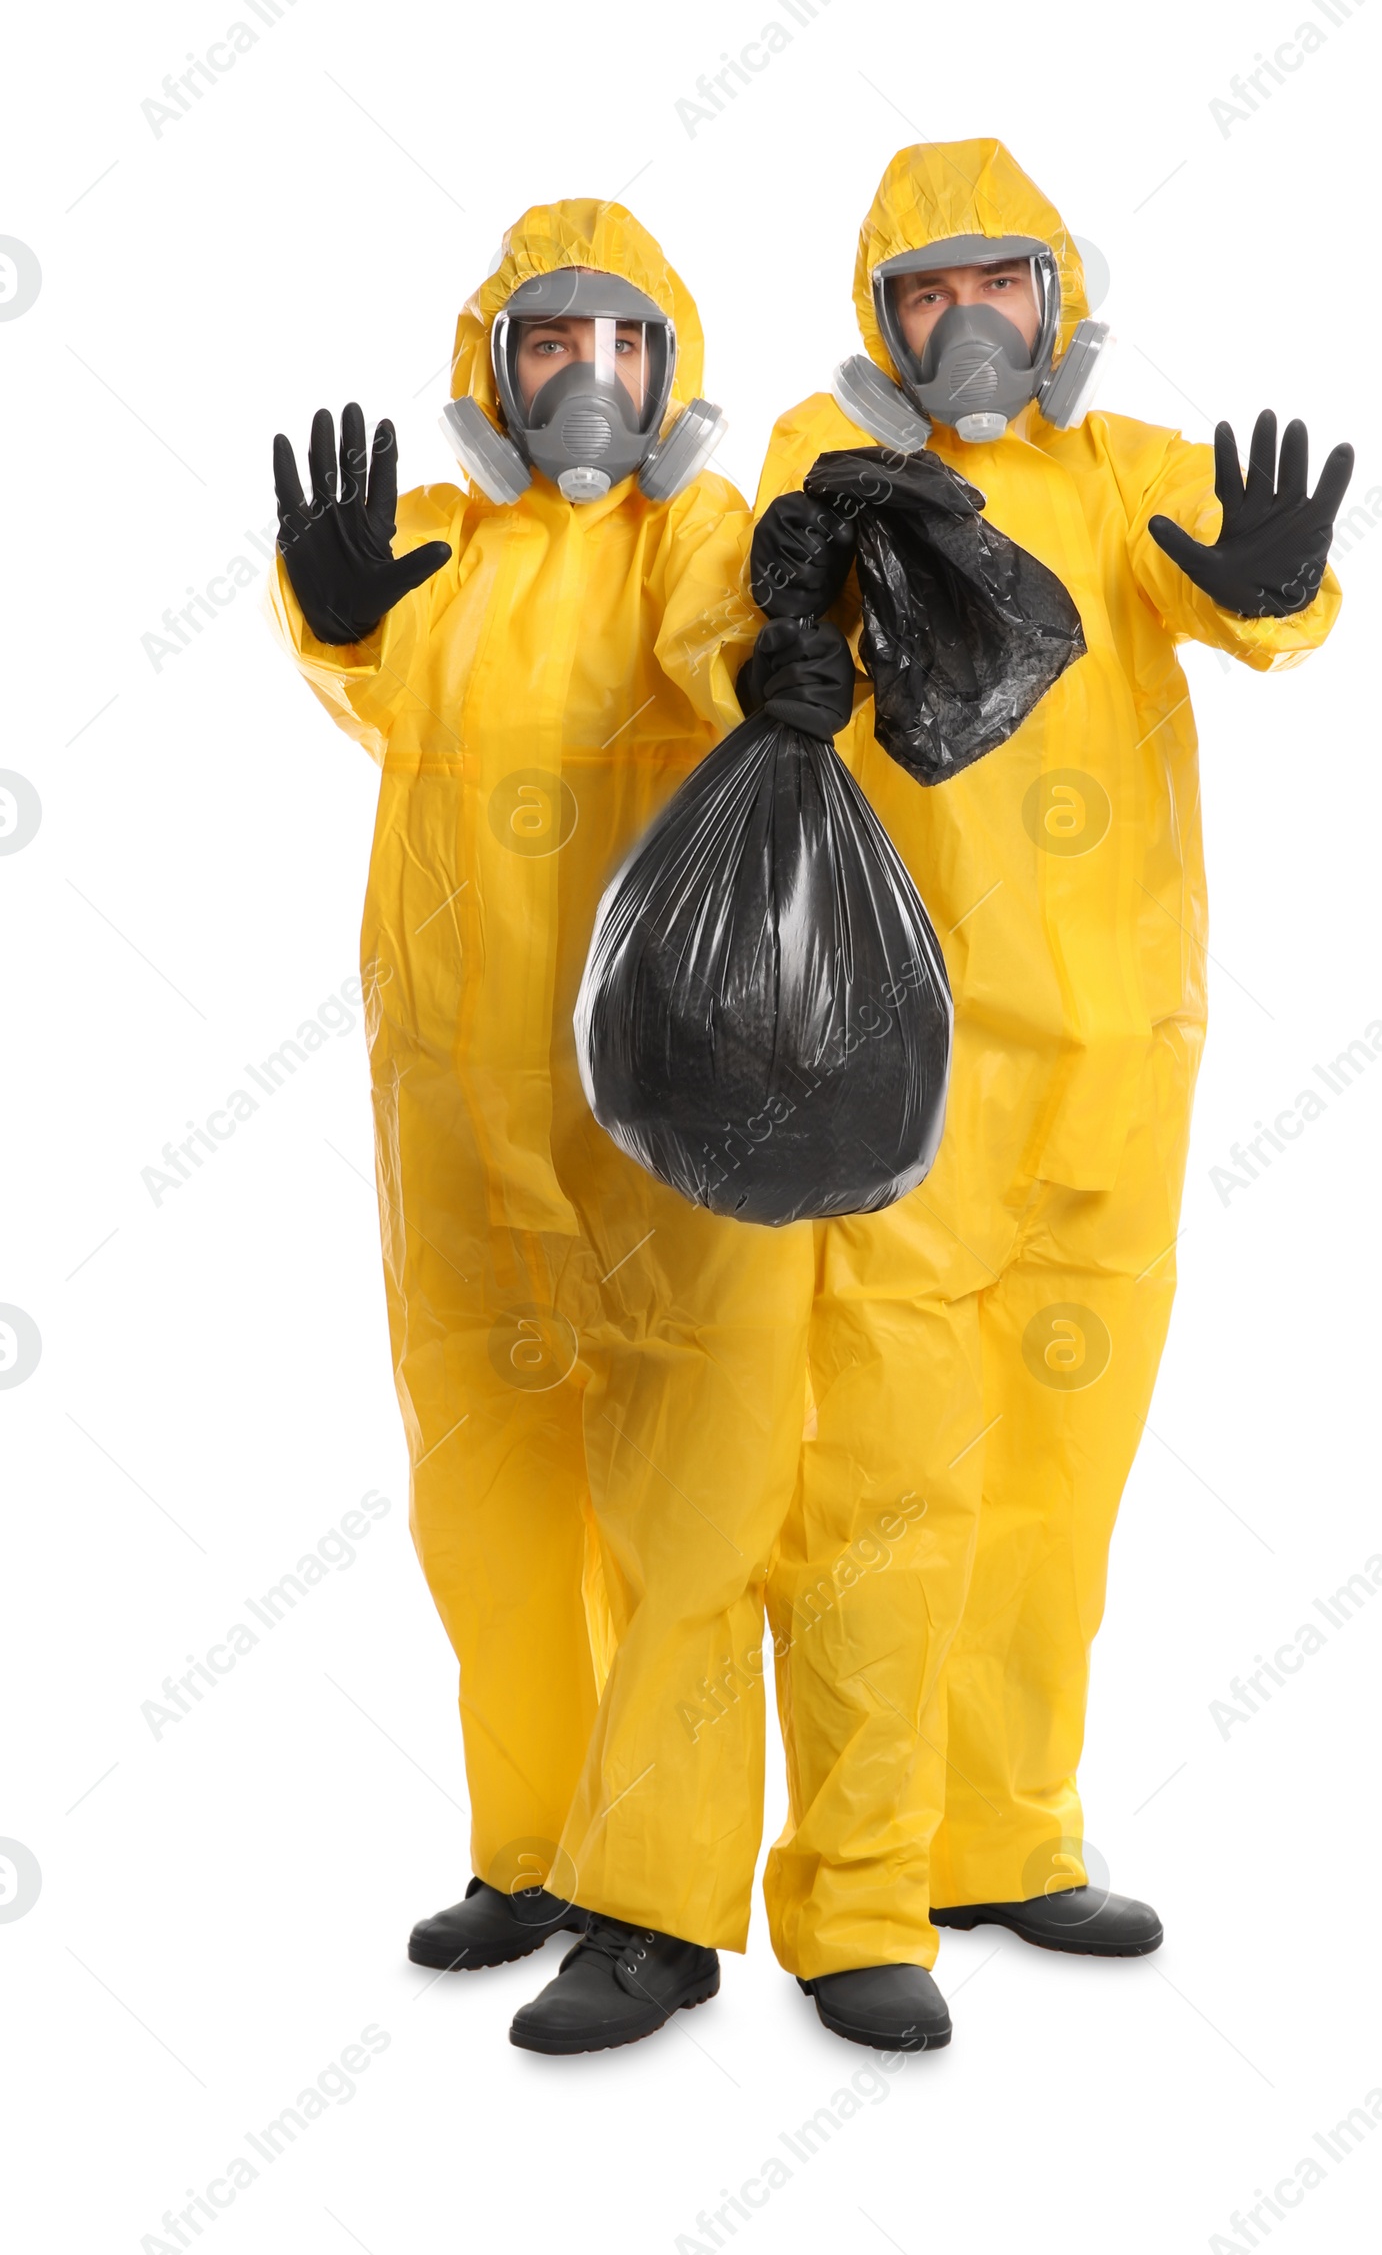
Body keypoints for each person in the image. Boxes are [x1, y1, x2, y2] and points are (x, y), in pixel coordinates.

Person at [742, 138, 1352, 2050]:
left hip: (1120, 1077)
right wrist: (770, 625)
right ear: (878, 324)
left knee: (1054, 1494)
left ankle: (1003, 1836)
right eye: (919, 294)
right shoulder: (829, 470)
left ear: (1054, 292)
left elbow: (1249, 598)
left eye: (992, 281)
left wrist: (1282, 580)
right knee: (882, 1490)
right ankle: (855, 1900)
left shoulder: (1120, 472)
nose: (963, 321)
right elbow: (738, 633)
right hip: (908, 1078)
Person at [270, 198, 818, 2053]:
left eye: (625, 351)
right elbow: (368, 675)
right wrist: (327, 618)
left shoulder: (697, 531)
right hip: (452, 1099)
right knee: (485, 1509)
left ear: (673, 372)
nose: (589, 386)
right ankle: (534, 1848)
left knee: (690, 1510)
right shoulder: (431, 545)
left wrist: (777, 672)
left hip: (667, 1100)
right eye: (551, 350)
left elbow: (724, 642)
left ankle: (658, 1910)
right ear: (489, 369)